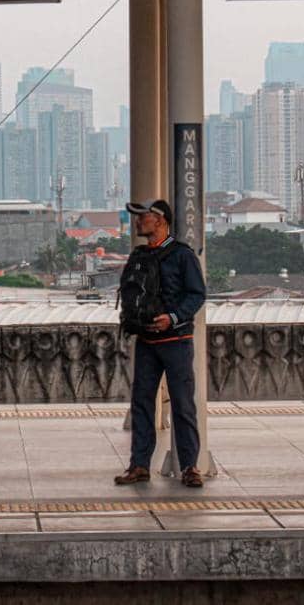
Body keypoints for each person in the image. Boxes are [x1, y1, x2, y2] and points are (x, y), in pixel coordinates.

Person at [114, 199, 207, 489]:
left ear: (161, 221)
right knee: (141, 402)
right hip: (146, 340)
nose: (139, 222)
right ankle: (139, 464)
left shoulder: (182, 255)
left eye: (145, 217)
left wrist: (174, 317)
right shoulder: (139, 254)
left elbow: (197, 294)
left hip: (176, 340)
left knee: (182, 404)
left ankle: (190, 466)